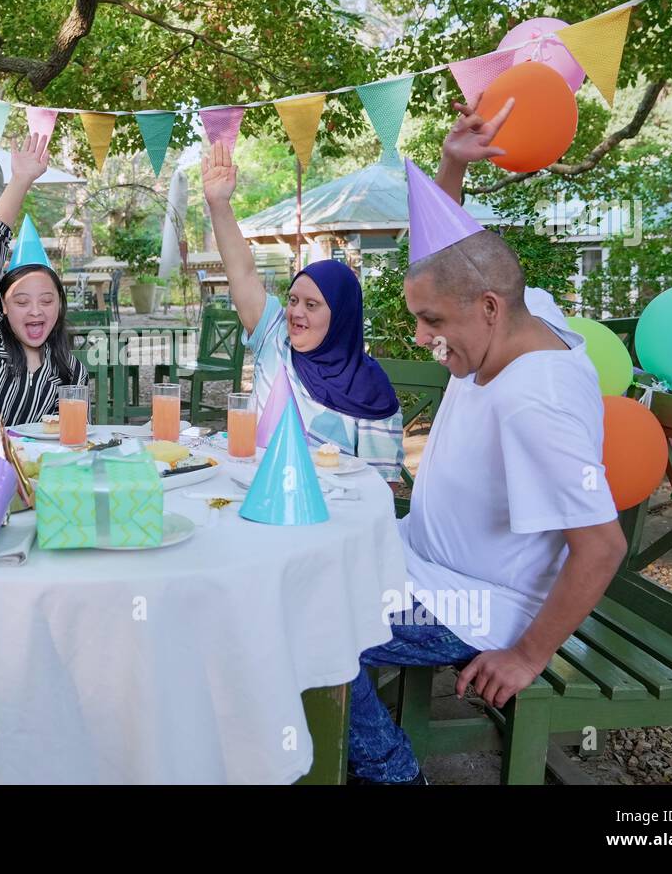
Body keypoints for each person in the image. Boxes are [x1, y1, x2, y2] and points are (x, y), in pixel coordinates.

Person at [345, 96, 628, 784]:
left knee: (310, 618)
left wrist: (528, 656)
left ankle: (390, 773)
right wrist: (449, 168)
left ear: (490, 311)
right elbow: (458, 261)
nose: (421, 337)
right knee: (301, 557)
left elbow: (603, 545)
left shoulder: (538, 401)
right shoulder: (521, 316)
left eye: (430, 320)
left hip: (472, 607)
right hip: (418, 559)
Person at [200, 140, 403, 480]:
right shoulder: (273, 335)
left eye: (312, 305)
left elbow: (380, 488)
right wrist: (219, 204)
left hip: (325, 517)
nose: (296, 312)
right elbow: (242, 272)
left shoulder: (370, 391)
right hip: (246, 493)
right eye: (293, 300)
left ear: (340, 318)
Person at [0, 133, 87, 429]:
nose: (36, 311)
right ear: (3, 306)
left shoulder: (72, 373)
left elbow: (73, 441)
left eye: (47, 300)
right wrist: (21, 181)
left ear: (60, 306)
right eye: (22, 301)